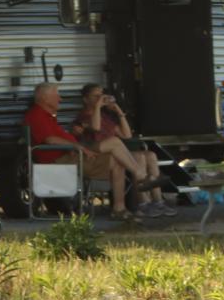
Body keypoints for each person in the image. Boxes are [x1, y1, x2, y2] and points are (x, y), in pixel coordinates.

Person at [24, 83, 161, 218]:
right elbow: (51, 140)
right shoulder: (37, 115)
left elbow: (127, 135)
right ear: (44, 98)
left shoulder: (48, 116)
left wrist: (117, 110)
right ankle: (141, 175)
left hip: (74, 154)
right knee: (114, 142)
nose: (60, 99)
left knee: (118, 161)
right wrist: (78, 146)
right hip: (62, 158)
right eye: (57, 95)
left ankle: (119, 209)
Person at [71, 84, 175, 219]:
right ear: (85, 99)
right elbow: (95, 127)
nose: (100, 98)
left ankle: (158, 201)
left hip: (116, 153)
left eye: (102, 95)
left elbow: (126, 135)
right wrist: (98, 106)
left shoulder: (105, 117)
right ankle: (144, 203)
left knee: (150, 155)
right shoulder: (83, 117)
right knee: (139, 158)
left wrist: (117, 110)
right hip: (99, 156)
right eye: (96, 96)